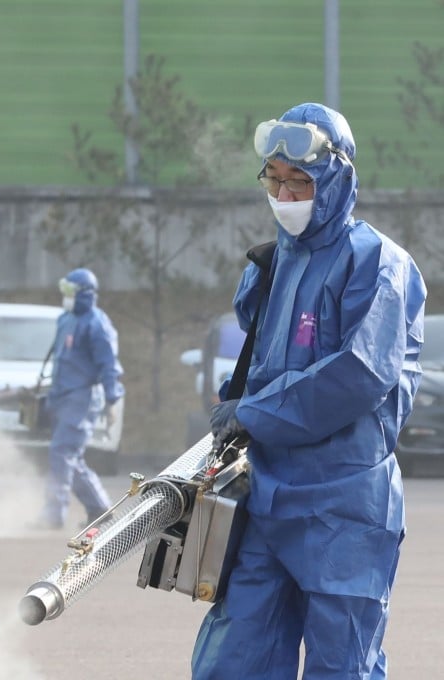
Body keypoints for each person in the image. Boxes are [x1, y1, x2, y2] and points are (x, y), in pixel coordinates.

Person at [193, 103, 426, 679]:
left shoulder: (378, 264)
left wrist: (253, 411)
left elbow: (359, 375)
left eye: (300, 181)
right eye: (275, 181)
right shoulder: (270, 265)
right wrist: (235, 403)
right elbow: (262, 368)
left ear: (336, 178)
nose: (286, 195)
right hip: (268, 494)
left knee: (341, 664)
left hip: (344, 503)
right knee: (235, 656)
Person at [32, 267, 124, 530]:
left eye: (70, 292)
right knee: (71, 456)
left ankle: (54, 514)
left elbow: (108, 365)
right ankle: (99, 508)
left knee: (61, 453)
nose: (65, 296)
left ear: (85, 294)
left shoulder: (97, 325)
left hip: (82, 399)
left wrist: (112, 399)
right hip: (62, 397)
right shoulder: (66, 319)